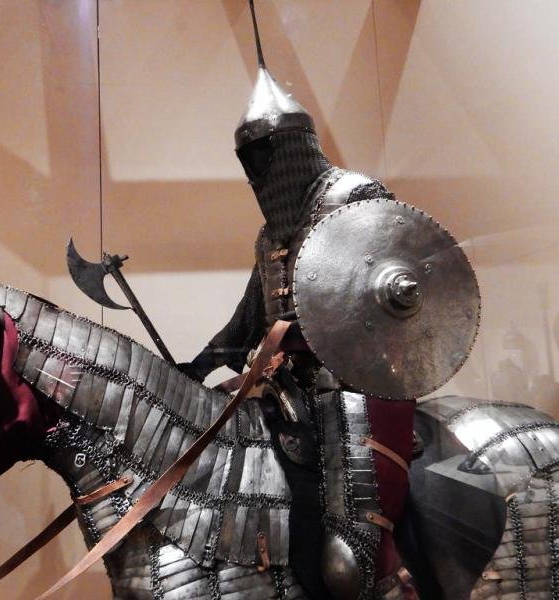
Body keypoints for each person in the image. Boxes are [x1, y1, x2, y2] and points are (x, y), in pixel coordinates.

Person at [180, 6, 419, 599]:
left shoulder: (353, 197)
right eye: (251, 159)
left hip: (354, 384)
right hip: (287, 393)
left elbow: (379, 303)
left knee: (351, 558)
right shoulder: (271, 236)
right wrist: (196, 366)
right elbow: (248, 322)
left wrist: (295, 338)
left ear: (294, 148)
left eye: (269, 153)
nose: (262, 170)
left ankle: (388, 580)